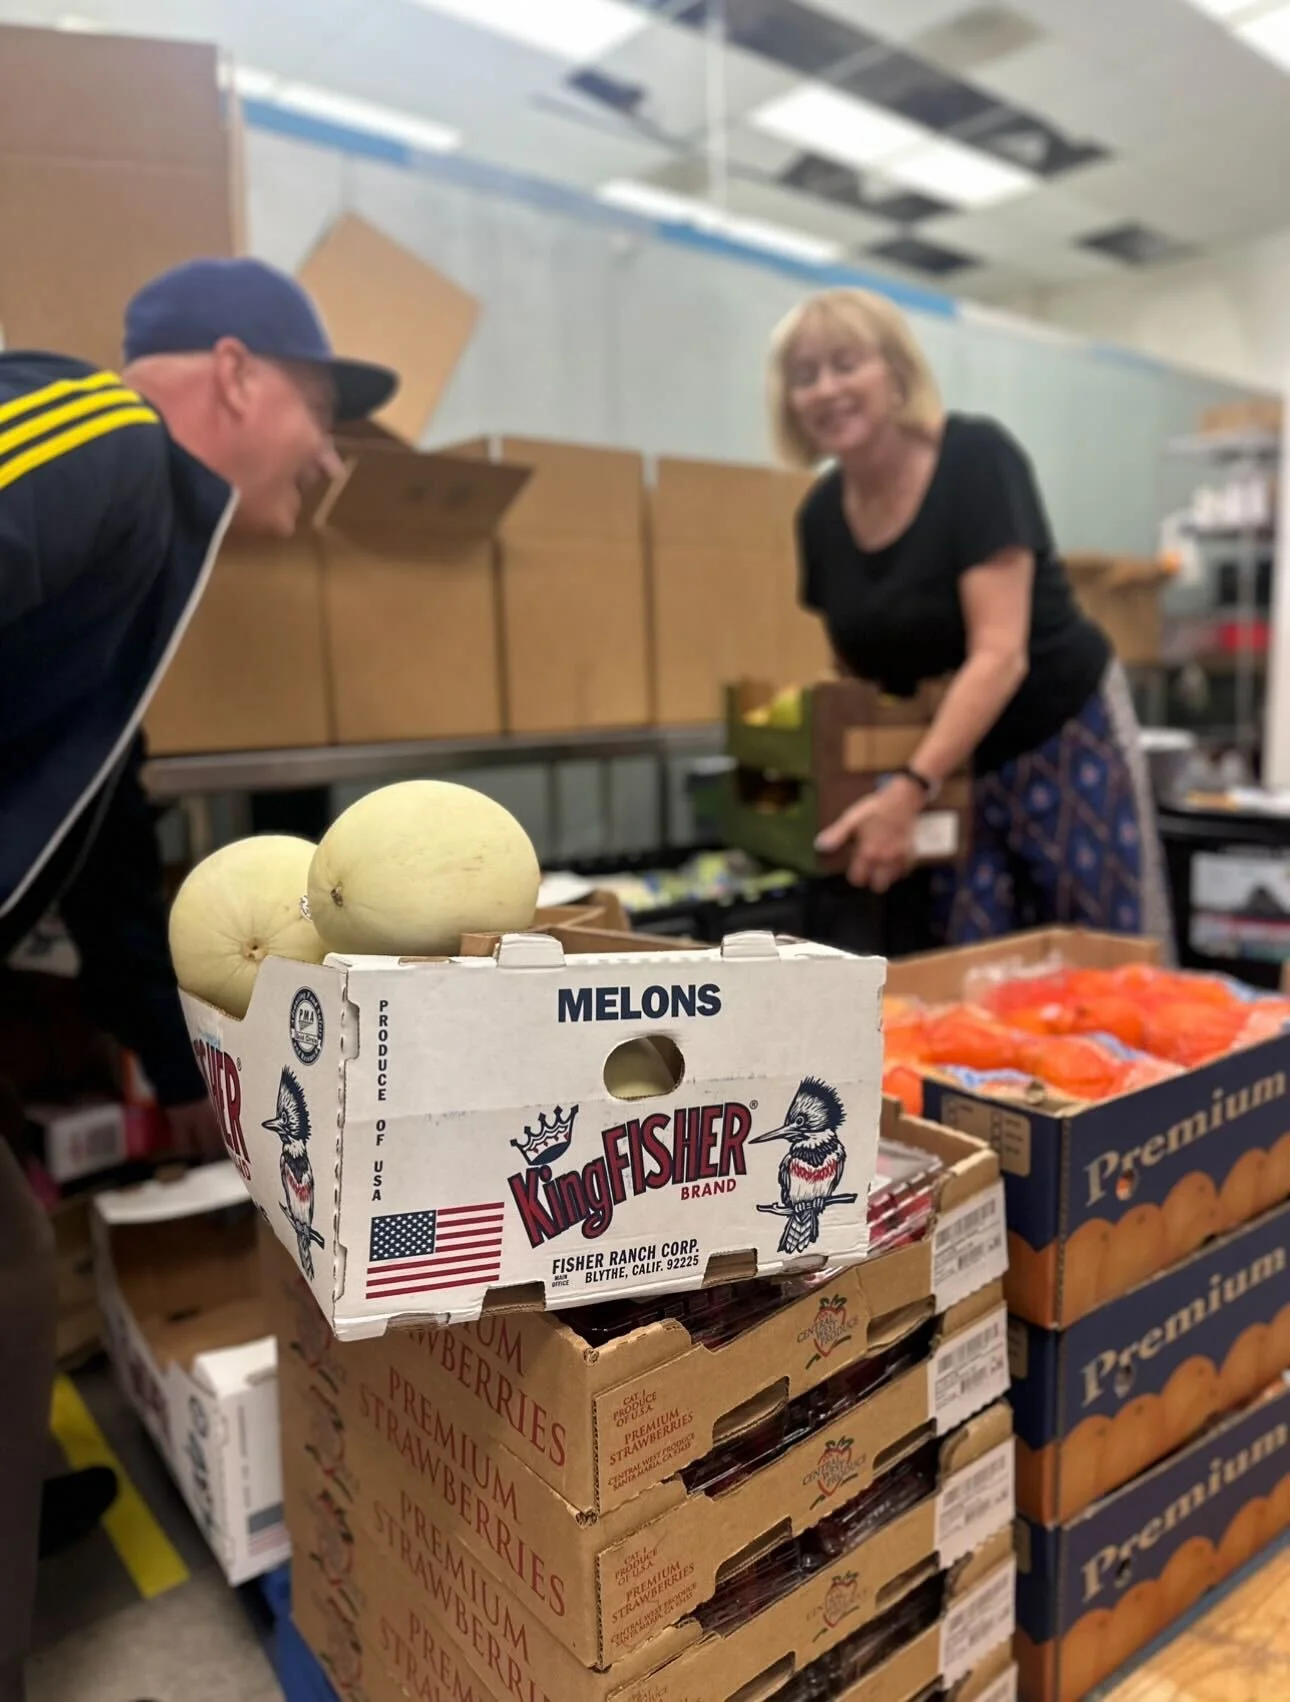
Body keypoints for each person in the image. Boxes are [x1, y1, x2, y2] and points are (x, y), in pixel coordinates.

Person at [0, 257, 399, 1702]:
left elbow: (109, 856)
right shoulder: (97, 441)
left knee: (8, 1269)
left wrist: (191, 1091)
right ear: (233, 374)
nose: (331, 453)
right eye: (321, 408)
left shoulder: (146, 576)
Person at [768, 287, 1171, 945]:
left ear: (896, 373)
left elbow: (1000, 654)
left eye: (845, 364)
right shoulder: (818, 519)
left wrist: (909, 787)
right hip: (951, 762)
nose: (825, 389)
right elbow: (855, 670)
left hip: (1059, 734)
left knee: (1098, 944)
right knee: (976, 954)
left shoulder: (976, 461)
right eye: (804, 375)